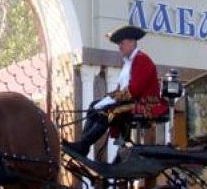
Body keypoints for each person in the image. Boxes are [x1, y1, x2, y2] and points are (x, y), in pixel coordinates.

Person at [65, 25, 168, 157]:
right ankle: (83, 145)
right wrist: (107, 99)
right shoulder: (128, 62)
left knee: (108, 111)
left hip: (145, 103)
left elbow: (134, 90)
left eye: (122, 43)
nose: (119, 46)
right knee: (94, 105)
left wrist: (111, 101)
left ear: (132, 42)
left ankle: (83, 145)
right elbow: (122, 89)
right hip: (131, 100)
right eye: (119, 43)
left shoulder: (142, 59)